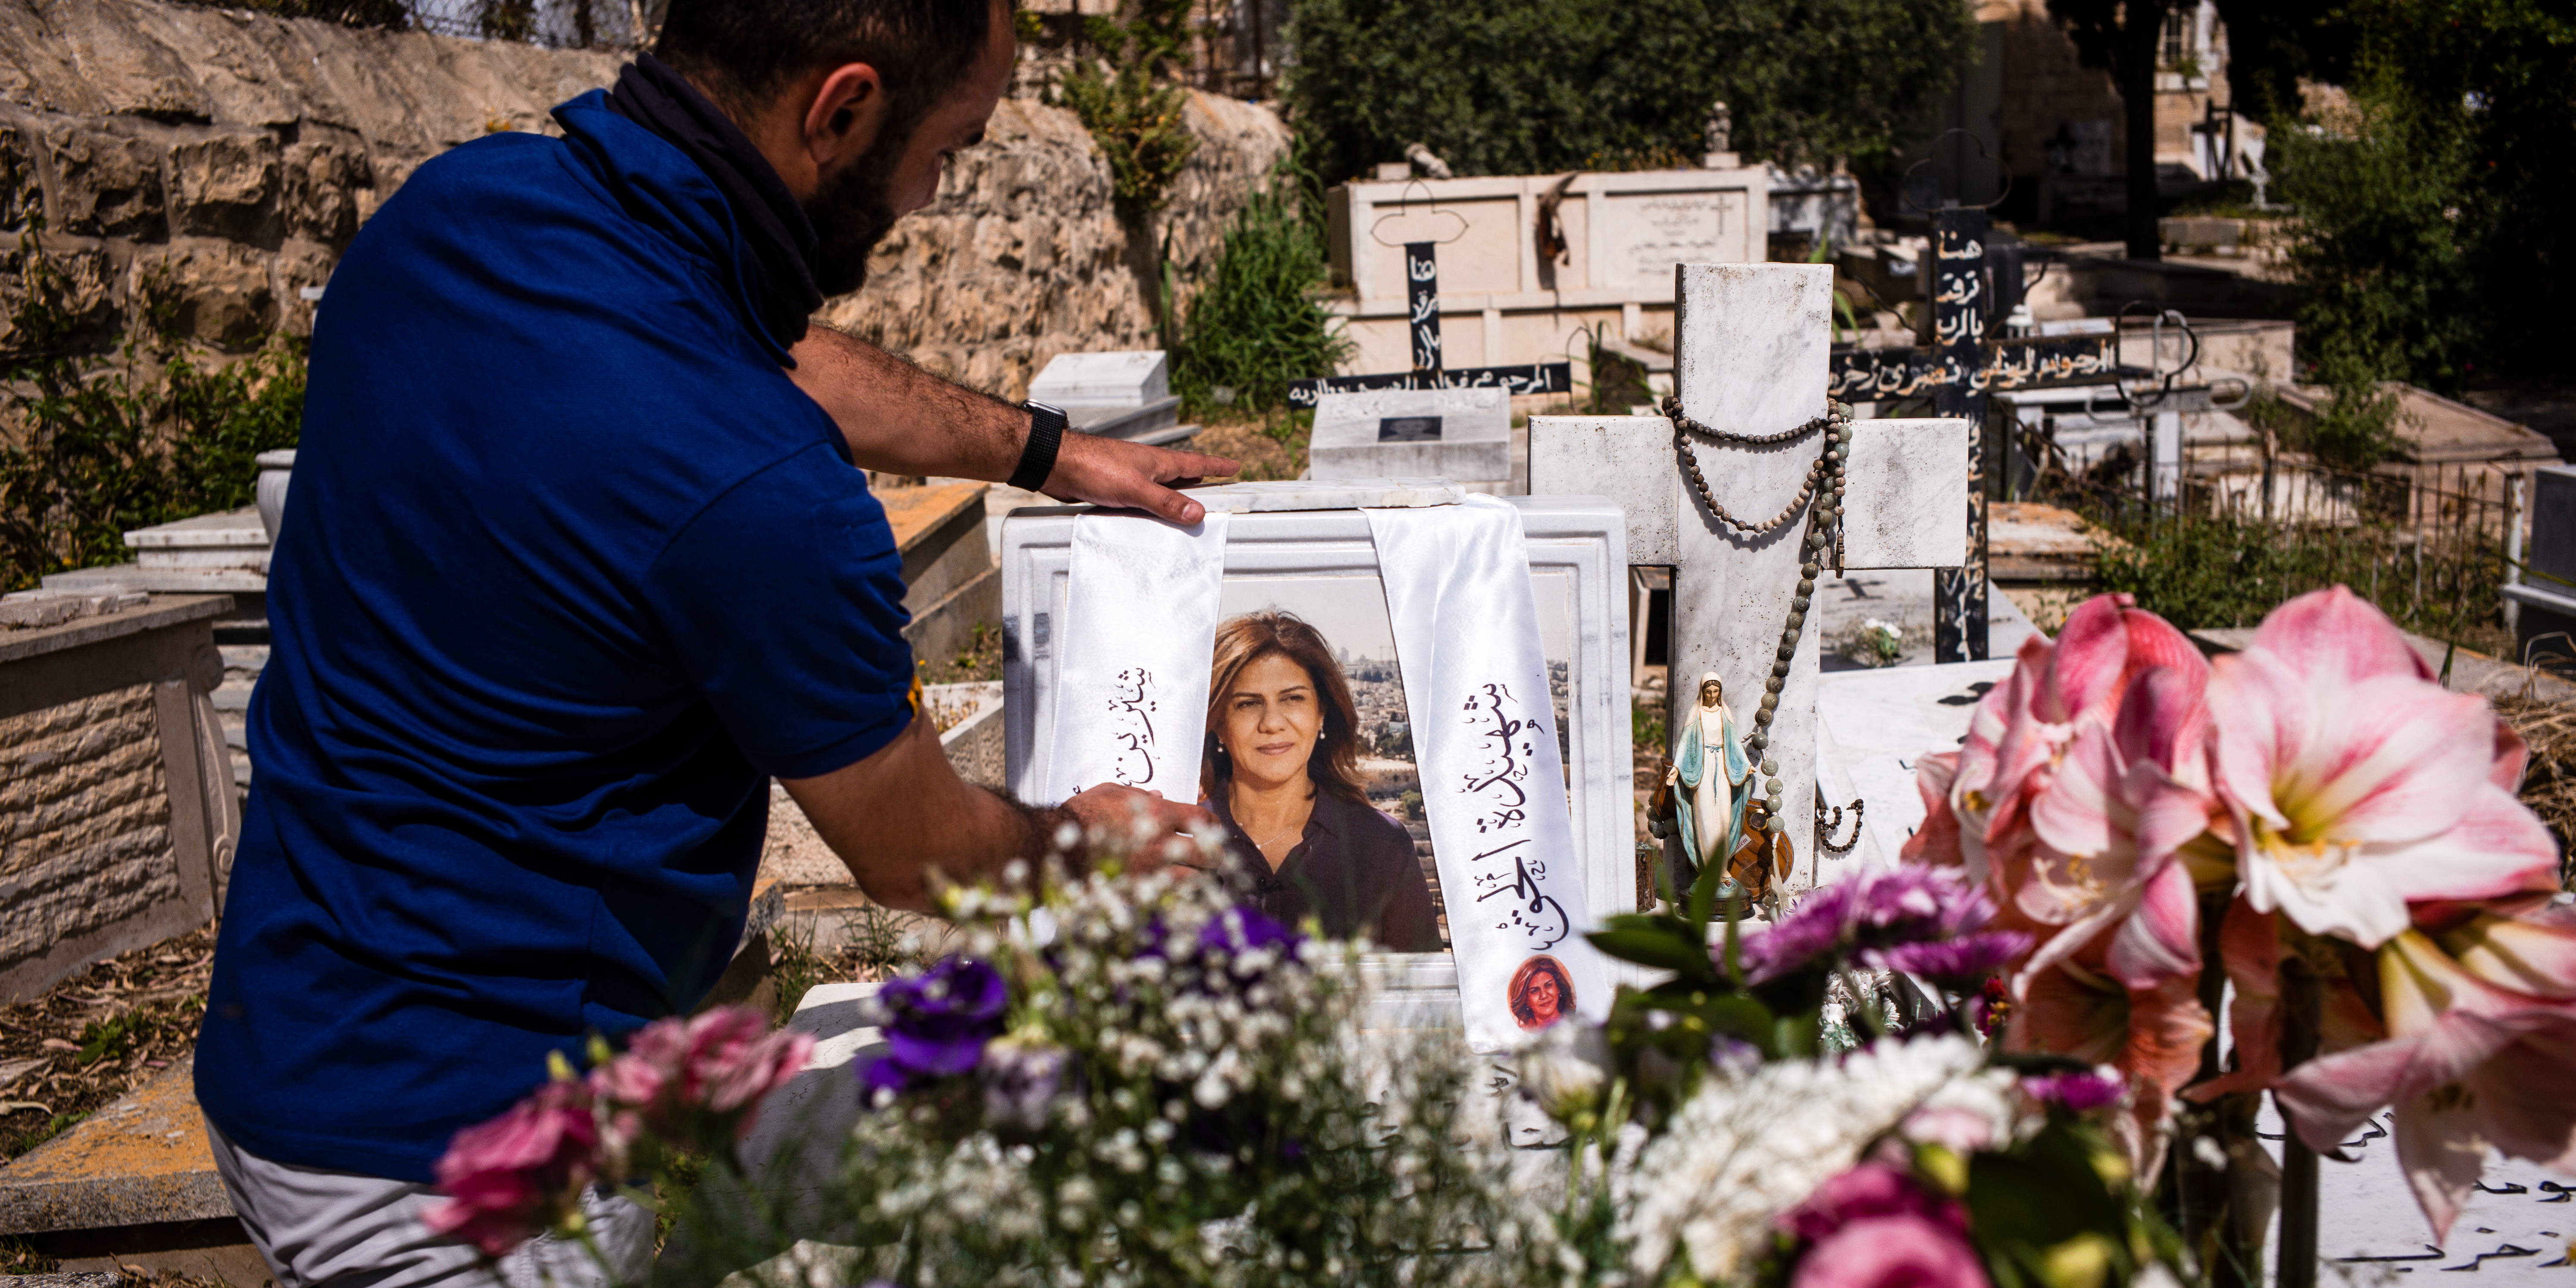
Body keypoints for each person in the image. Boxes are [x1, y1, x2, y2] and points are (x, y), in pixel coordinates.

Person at [193, 1, 1230, 1282]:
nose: (932, 194)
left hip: (287, 1033)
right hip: (465, 1171)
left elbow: (762, 354)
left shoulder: (456, 220)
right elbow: (916, 856)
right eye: (947, 149)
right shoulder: (760, 493)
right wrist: (1093, 839)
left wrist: (1051, 454)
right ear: (843, 111)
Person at [1200, 613, 1442, 951]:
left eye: (1293, 699)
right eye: (1248, 704)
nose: (1272, 723)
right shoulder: (1180, 840)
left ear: (1321, 713)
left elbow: (1425, 996)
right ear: (1219, 725)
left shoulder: (1381, 845)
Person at [1507, 954, 1574, 1029]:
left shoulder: (1578, 1020)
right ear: (1525, 999)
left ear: (1558, 987)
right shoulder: (1525, 1035)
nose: (1544, 996)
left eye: (1549, 985)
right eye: (1535, 991)